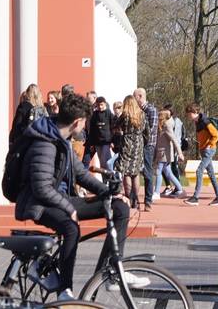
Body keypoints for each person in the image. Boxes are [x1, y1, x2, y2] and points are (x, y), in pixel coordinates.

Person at [14, 92, 138, 301]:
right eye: (85, 122)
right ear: (78, 122)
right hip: (39, 203)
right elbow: (41, 188)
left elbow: (80, 173)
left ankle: (109, 274)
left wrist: (111, 193)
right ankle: (65, 291)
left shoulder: (61, 139)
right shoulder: (44, 143)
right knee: (71, 228)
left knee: (120, 209)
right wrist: (69, 208)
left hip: (59, 198)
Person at [184, 103, 218, 206]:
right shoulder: (197, 122)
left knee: (199, 170)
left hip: (209, 150)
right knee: (211, 174)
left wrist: (210, 145)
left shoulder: (205, 121)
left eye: (190, 114)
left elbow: (216, 135)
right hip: (204, 150)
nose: (188, 116)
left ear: (196, 112)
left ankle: (195, 197)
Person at [115, 96, 148, 210]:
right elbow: (146, 130)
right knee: (136, 172)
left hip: (127, 142)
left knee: (127, 172)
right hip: (138, 143)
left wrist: (120, 133)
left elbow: (115, 126)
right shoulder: (142, 114)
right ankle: (137, 199)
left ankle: (129, 198)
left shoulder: (125, 115)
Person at [133, 89, 159, 208]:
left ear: (140, 96)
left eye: (135, 97)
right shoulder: (138, 110)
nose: (134, 100)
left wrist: (139, 135)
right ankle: (134, 200)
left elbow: (152, 129)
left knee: (148, 172)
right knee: (135, 171)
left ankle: (148, 201)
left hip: (147, 145)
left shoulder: (151, 110)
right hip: (138, 145)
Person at [154, 106, 186, 198]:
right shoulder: (161, 125)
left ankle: (156, 193)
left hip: (165, 153)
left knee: (158, 171)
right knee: (168, 173)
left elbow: (174, 140)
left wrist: (180, 153)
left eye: (160, 115)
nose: (158, 117)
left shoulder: (167, 125)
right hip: (162, 153)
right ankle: (180, 189)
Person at [84, 97, 115, 170]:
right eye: (98, 105)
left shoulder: (109, 113)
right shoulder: (94, 115)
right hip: (97, 142)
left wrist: (113, 141)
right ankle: (105, 180)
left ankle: (113, 177)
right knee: (102, 162)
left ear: (105, 104)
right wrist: (91, 143)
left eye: (101, 105)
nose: (100, 107)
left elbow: (113, 128)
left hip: (106, 142)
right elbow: (92, 130)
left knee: (106, 161)